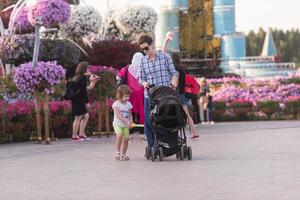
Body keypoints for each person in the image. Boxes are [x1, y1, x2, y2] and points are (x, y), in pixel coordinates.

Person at [138, 35, 178, 148]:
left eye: (146, 48)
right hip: (150, 95)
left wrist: (174, 83)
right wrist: (144, 83)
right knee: (148, 121)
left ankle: (171, 144)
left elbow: (174, 73)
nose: (145, 51)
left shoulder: (165, 57)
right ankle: (151, 146)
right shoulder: (142, 61)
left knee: (168, 119)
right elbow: (140, 78)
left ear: (152, 44)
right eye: (142, 49)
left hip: (165, 94)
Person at [171, 53, 200, 139]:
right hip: (183, 94)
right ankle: (194, 132)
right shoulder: (182, 68)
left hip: (176, 94)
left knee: (173, 114)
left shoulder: (173, 69)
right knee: (187, 114)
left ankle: (175, 135)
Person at [71, 61, 99, 141]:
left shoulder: (78, 77)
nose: (89, 69)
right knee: (78, 118)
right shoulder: (82, 78)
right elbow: (83, 91)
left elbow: (86, 88)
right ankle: (74, 136)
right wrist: (87, 102)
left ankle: (81, 134)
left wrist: (92, 81)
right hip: (79, 100)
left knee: (85, 116)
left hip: (77, 99)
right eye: (87, 68)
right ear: (84, 69)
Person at [112, 85, 133, 161]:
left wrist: (130, 121)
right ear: (119, 95)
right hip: (118, 124)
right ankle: (117, 152)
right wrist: (126, 121)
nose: (128, 98)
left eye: (128, 96)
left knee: (126, 139)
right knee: (120, 135)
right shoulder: (116, 104)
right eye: (126, 96)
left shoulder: (128, 104)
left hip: (125, 125)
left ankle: (124, 154)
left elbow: (130, 114)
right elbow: (118, 115)